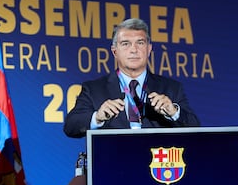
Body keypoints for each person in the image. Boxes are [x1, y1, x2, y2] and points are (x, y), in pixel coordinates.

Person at [63, 18, 200, 138]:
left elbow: (195, 128)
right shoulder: (94, 89)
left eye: (140, 43)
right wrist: (97, 117)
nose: (134, 50)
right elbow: (71, 127)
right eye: (125, 43)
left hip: (157, 163)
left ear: (149, 49)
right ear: (115, 51)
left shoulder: (171, 88)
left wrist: (173, 112)